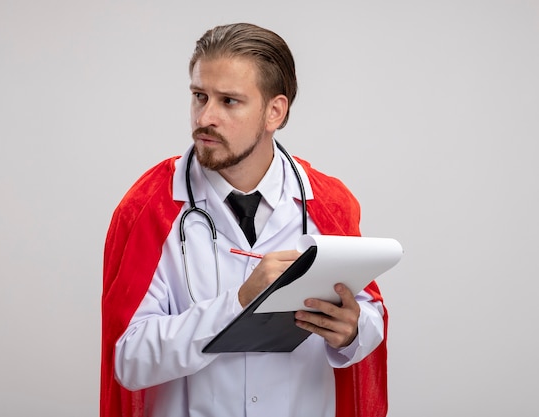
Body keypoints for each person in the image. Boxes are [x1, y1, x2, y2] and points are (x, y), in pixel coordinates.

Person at [101, 23, 388, 417]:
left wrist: (352, 331)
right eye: (200, 96)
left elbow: (369, 315)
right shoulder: (148, 207)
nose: (205, 117)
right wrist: (239, 302)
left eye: (229, 101)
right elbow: (127, 361)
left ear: (275, 111)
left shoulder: (329, 204)